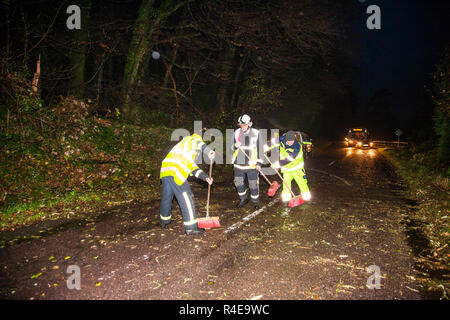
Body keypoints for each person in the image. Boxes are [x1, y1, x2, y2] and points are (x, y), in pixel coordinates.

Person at [160, 133, 215, 235]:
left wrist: (206, 177)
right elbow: (198, 143)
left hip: (165, 171)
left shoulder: (183, 149)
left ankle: (165, 220)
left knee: (167, 197)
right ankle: (191, 227)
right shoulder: (190, 140)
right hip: (175, 171)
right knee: (186, 196)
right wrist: (208, 151)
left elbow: (193, 169)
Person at [264, 130, 311, 204]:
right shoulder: (281, 139)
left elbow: (290, 159)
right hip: (286, 169)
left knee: (302, 183)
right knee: (286, 185)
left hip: (297, 169)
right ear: (285, 138)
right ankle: (286, 200)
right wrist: (265, 147)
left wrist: (277, 164)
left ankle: (307, 198)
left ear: (294, 139)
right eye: (288, 141)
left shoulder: (297, 146)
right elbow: (272, 142)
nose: (290, 142)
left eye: (292, 141)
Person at [231, 114, 263, 209]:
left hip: (251, 164)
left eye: (244, 125)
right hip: (238, 164)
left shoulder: (256, 133)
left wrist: (259, 163)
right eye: (241, 125)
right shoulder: (236, 133)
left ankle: (255, 202)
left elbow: (260, 150)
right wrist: (234, 146)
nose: (242, 126)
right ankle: (243, 198)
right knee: (238, 183)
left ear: (249, 124)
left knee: (253, 184)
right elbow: (231, 147)